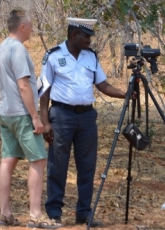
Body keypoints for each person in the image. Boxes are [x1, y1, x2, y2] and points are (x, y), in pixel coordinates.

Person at [38, 18, 127, 227]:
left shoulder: (91, 57)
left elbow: (103, 85)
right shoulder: (54, 56)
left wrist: (125, 94)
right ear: (73, 35)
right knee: (57, 165)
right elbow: (44, 91)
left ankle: (84, 213)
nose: (89, 40)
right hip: (61, 116)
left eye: (90, 36)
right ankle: (54, 212)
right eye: (85, 36)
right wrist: (45, 122)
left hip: (87, 117)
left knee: (87, 166)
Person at [0, 9, 61, 229]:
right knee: (38, 160)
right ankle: (36, 215)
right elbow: (23, 84)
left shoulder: (0, 48)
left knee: (7, 160)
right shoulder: (18, 49)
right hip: (21, 114)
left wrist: (9, 87)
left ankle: (5, 214)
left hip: (5, 112)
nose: (32, 29)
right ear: (21, 27)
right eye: (30, 25)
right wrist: (35, 117)